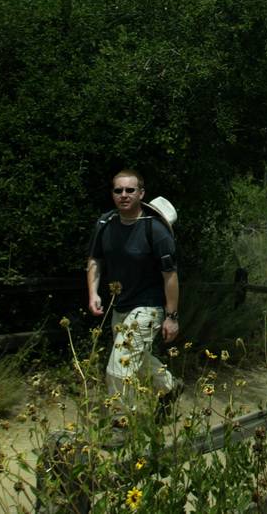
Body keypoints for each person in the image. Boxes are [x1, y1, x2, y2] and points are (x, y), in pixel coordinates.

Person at [86, 169, 183, 412]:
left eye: (130, 190)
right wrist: (93, 293)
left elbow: (170, 276)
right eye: (118, 190)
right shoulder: (105, 223)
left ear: (141, 194)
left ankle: (121, 422)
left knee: (119, 366)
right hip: (119, 304)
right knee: (138, 363)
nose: (124, 195)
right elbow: (95, 259)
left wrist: (171, 317)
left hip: (148, 306)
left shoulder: (156, 231)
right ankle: (170, 386)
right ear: (112, 194)